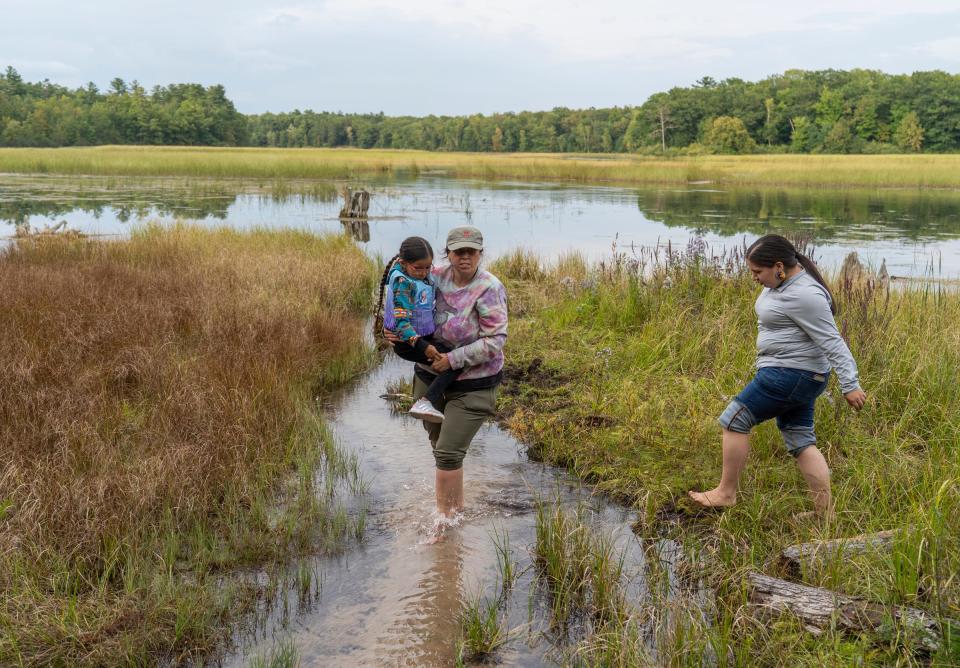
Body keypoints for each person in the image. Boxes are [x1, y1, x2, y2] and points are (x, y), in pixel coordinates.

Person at [689, 235, 867, 519]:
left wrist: (850, 384)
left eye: (757, 272)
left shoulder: (805, 294)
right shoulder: (783, 284)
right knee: (801, 441)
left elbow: (833, 342)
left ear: (779, 266)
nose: (754, 278)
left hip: (791, 374)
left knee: (734, 420)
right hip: (799, 375)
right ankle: (825, 515)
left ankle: (725, 493)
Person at [389, 226, 508, 526]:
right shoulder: (433, 275)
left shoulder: (489, 288)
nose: (464, 256)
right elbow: (398, 283)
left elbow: (495, 342)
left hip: (473, 384)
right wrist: (392, 328)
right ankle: (454, 511)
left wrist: (451, 359)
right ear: (448, 253)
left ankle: (445, 523)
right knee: (442, 449)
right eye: (458, 251)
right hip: (429, 379)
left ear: (481, 253)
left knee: (447, 452)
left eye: (471, 251)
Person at [376, 236, 458, 423]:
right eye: (418, 268)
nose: (424, 273)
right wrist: (424, 347)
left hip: (421, 340)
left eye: (428, 267)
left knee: (453, 359)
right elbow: (402, 324)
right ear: (404, 264)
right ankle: (425, 402)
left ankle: (433, 400)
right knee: (454, 361)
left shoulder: (420, 276)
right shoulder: (403, 285)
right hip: (409, 343)